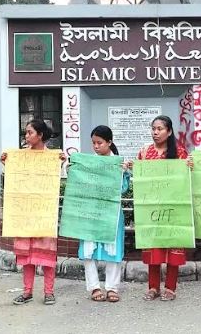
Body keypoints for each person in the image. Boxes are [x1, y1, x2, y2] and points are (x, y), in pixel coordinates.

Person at [2, 119, 65, 306]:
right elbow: (16, 179)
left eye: (30, 132)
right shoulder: (20, 157)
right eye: (26, 132)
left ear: (40, 135)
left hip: (43, 214)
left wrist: (60, 163)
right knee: (27, 256)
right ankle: (27, 291)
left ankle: (49, 292)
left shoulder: (52, 157)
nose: (27, 136)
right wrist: (6, 163)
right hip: (25, 214)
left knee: (47, 256)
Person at [70, 125, 131, 304]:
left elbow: (123, 189)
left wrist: (123, 172)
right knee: (89, 248)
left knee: (113, 248)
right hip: (91, 211)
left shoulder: (118, 164)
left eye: (100, 143)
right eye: (94, 143)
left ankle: (112, 287)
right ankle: (94, 287)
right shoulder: (88, 163)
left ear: (109, 142)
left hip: (112, 212)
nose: (96, 146)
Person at [137, 115, 190, 302]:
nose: (155, 132)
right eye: (153, 129)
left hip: (174, 207)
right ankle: (153, 287)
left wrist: (190, 168)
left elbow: (186, 180)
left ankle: (170, 287)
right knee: (154, 248)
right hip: (151, 208)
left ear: (169, 132)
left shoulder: (180, 153)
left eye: (159, 129)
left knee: (173, 246)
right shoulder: (144, 152)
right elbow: (140, 179)